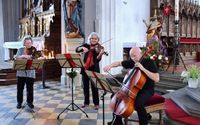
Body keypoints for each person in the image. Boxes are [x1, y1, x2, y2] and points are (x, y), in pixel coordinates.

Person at [103, 47, 160, 125]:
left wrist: (143, 69)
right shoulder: (132, 61)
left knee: (138, 103)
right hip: (132, 89)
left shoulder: (149, 62)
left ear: (141, 54)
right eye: (131, 56)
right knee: (114, 96)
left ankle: (144, 122)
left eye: (134, 56)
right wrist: (110, 66)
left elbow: (157, 78)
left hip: (147, 90)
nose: (133, 58)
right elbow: (119, 63)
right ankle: (117, 121)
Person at [75, 32, 105, 110]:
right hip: (85, 69)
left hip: (94, 69)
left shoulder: (99, 47)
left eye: (96, 39)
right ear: (90, 39)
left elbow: (97, 59)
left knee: (94, 87)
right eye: (92, 38)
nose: (94, 40)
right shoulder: (86, 45)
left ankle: (96, 103)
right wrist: (81, 48)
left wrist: (100, 54)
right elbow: (76, 50)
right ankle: (86, 102)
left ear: (98, 40)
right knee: (85, 87)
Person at [15, 37, 36, 109]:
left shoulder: (34, 49)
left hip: (30, 72)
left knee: (30, 89)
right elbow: (16, 58)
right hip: (21, 72)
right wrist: (23, 56)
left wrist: (30, 57)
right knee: (20, 88)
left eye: (29, 43)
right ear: (24, 43)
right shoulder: (20, 49)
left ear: (32, 43)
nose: (28, 44)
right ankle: (19, 102)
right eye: (27, 43)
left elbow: (34, 58)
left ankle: (30, 102)